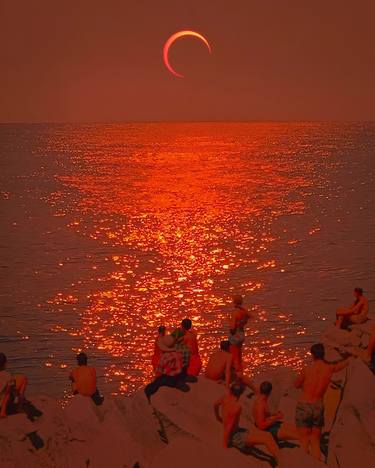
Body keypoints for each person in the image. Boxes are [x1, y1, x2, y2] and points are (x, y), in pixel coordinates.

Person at [294, 343, 351, 460]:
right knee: (315, 442)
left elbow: (296, 384)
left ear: (312, 355)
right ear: (323, 354)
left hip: (304, 405)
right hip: (318, 406)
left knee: (304, 440)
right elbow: (341, 365)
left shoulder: (306, 368)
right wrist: (352, 357)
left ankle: (304, 464)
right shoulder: (329, 369)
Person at [214, 382, 282, 465]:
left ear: (231, 391)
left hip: (237, 432)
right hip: (235, 437)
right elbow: (229, 426)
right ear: (241, 394)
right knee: (267, 438)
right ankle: (282, 461)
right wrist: (225, 444)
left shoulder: (224, 398)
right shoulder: (236, 407)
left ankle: (279, 458)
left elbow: (215, 405)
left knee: (264, 435)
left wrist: (217, 417)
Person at [144, 335, 190, 402]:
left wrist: (155, 380)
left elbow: (158, 372)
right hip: (178, 375)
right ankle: (178, 383)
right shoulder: (178, 354)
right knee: (174, 378)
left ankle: (149, 401)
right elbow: (182, 365)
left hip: (169, 378)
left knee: (149, 388)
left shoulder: (164, 357)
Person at [228, 295, 253, 371]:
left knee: (234, 357)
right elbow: (251, 316)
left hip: (235, 335)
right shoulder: (243, 312)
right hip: (241, 334)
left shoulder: (234, 313)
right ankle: (241, 372)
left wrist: (229, 322)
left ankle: (238, 374)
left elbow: (232, 328)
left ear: (234, 302)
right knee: (239, 357)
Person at [0, 353, 28, 418]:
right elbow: (11, 391)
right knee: (10, 390)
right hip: (2, 405)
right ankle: (18, 407)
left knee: (20, 378)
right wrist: (18, 396)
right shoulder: (7, 376)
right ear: (4, 364)